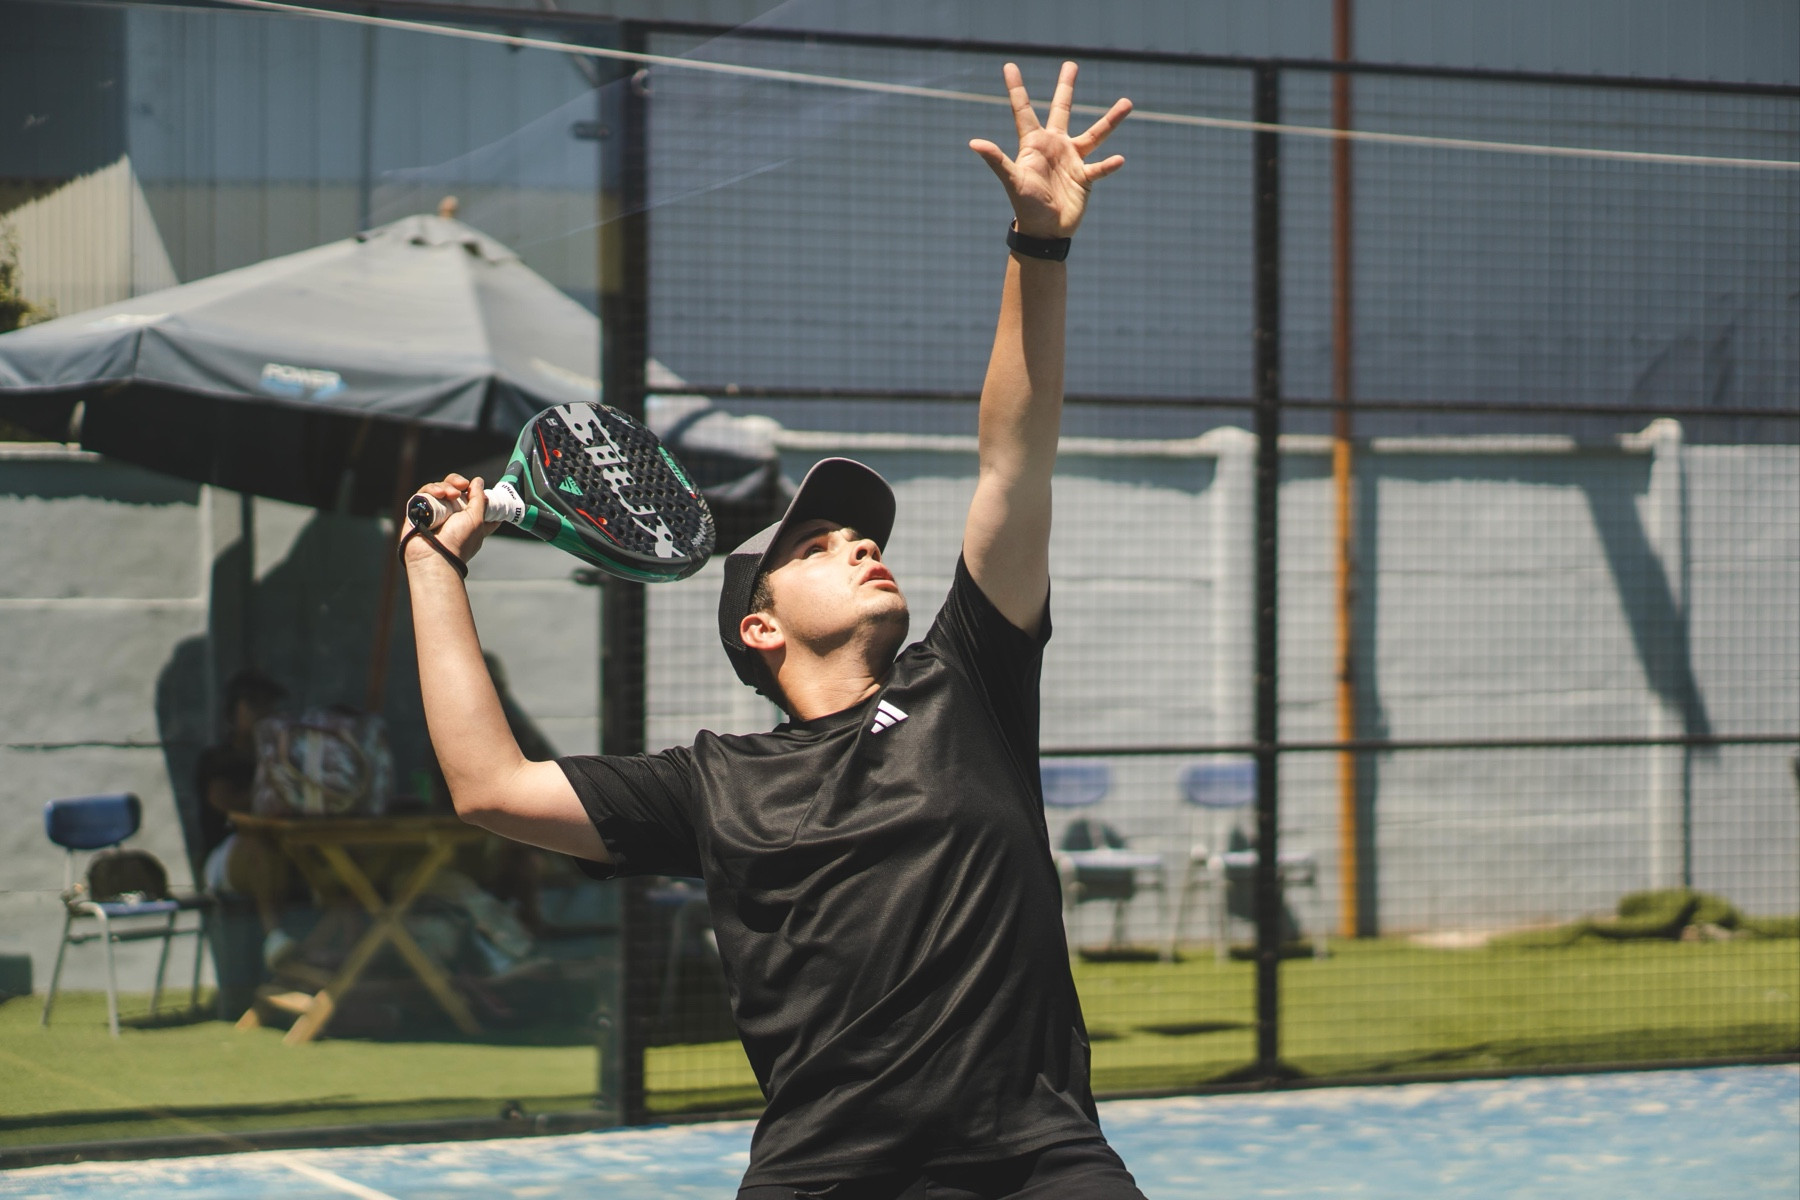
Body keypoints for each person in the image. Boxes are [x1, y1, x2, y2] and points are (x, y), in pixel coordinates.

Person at [403, 62, 1142, 1199]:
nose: (859, 547)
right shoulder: (714, 785)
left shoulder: (970, 685)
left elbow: (1013, 459)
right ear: (759, 628)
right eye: (817, 546)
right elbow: (489, 787)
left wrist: (1036, 247)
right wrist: (433, 565)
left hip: (1036, 1160)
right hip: (827, 1172)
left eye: (862, 536)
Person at [195, 668, 298, 969]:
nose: (263, 712)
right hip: (225, 859)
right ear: (233, 711)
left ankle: (343, 952)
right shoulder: (218, 759)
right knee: (257, 844)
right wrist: (272, 786)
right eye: (253, 703)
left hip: (286, 848)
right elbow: (224, 802)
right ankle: (275, 937)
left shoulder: (289, 758)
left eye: (270, 704)